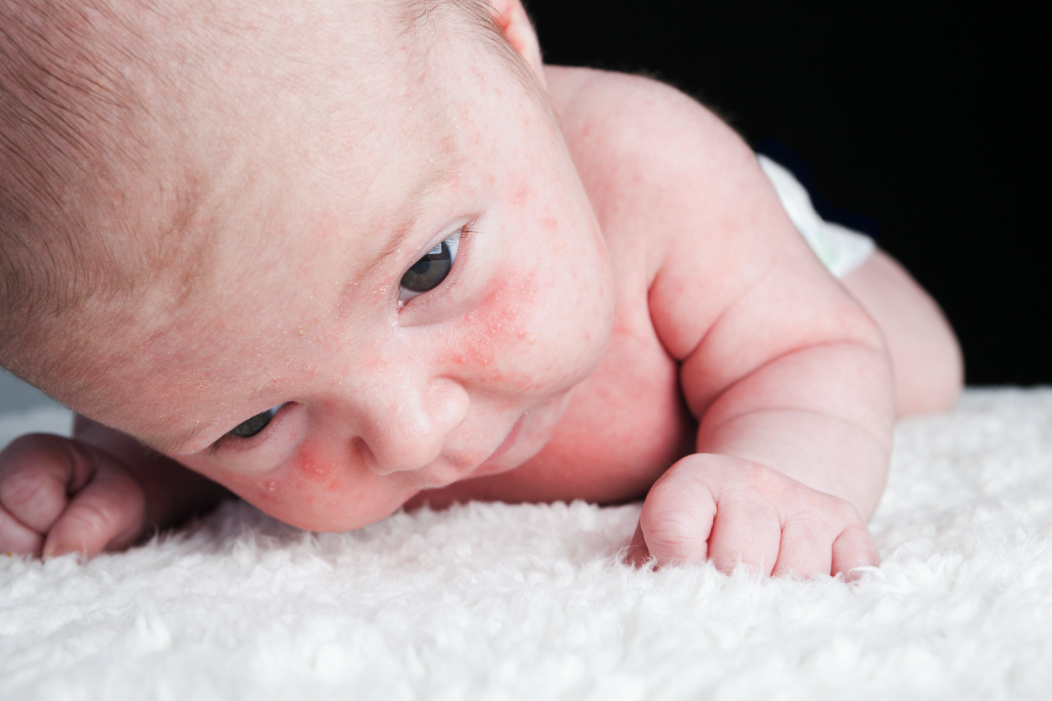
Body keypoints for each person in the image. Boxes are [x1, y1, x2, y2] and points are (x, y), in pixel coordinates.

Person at [0, 0, 961, 576]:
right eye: (252, 421)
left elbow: (813, 353)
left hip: (764, 239)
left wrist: (786, 471)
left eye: (429, 267)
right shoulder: (182, 348)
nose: (411, 433)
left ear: (511, 45)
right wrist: (129, 476)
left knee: (918, 363)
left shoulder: (655, 172)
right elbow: (162, 403)